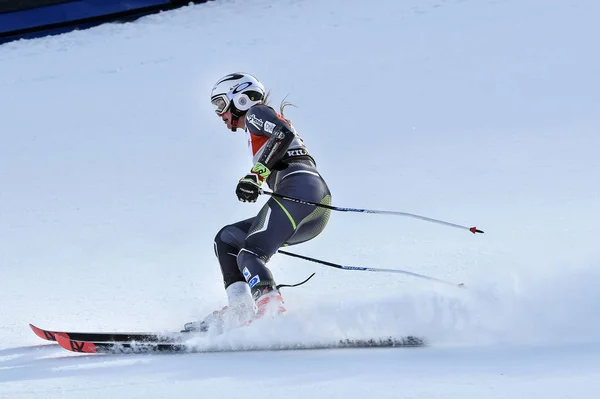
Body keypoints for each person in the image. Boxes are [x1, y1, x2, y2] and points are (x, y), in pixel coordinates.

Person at [184, 73, 332, 333]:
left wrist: (257, 174)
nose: (220, 114)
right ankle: (240, 311)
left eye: (220, 104)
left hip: (301, 190)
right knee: (228, 239)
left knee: (250, 253)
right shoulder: (257, 121)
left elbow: (282, 133)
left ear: (238, 98)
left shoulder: (256, 112)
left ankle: (271, 313)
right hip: (309, 203)